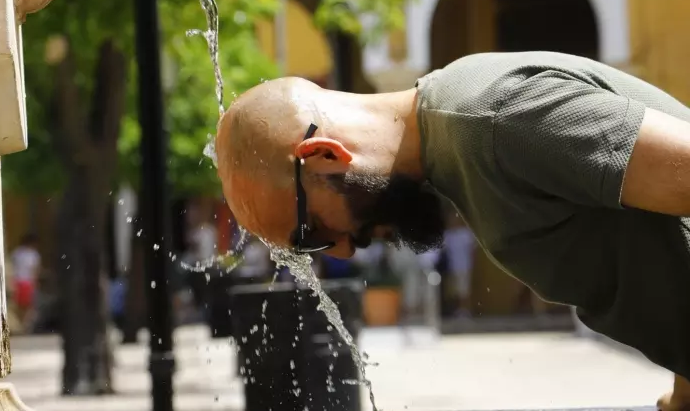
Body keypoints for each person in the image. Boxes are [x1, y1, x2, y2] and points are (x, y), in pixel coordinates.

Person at [214, 51, 690, 410]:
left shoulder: (493, 118)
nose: (338, 250)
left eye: (311, 230)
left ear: (325, 154)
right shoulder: (457, 152)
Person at [10, 233, 41, 333]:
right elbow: (35, 270)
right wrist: (35, 281)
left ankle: (21, 325)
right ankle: (23, 325)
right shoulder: (33, 254)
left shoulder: (17, 253)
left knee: (21, 305)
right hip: (27, 281)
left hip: (18, 281)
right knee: (28, 305)